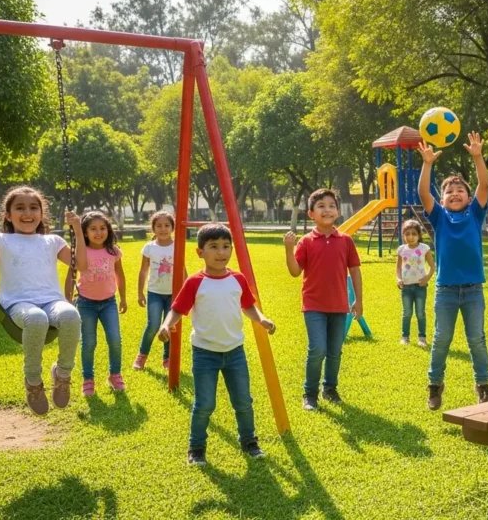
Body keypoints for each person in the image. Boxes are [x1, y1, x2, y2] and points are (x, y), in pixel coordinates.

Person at [157, 223, 276, 466]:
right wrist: (166, 325)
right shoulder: (195, 282)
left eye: (225, 247)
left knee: (243, 401)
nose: (221, 253)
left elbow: (247, 305)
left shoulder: (237, 279)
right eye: (214, 247)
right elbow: (178, 309)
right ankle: (197, 448)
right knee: (204, 404)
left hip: (235, 352)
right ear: (200, 252)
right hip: (205, 354)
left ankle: (249, 442)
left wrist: (261, 318)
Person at [0, 186, 86, 415]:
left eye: (33, 207)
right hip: (18, 303)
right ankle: (33, 382)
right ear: (8, 215)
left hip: (52, 300)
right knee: (36, 319)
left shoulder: (52, 241)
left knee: (71, 315)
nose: (27, 213)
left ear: (41, 213)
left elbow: (81, 266)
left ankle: (62, 374)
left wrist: (77, 230)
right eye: (20, 208)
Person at [417, 131, 488, 410]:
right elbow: (424, 193)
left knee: (477, 339)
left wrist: (477, 156)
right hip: (446, 291)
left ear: (469, 196)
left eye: (460, 190)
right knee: (441, 339)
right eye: (449, 191)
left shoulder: (475, 213)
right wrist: (427, 163)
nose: (455, 194)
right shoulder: (439, 216)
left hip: (473, 290)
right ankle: (435, 386)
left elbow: (484, 184)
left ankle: (483, 386)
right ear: (443, 198)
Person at [284, 189, 363, 411]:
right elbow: (294, 271)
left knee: (335, 350)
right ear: (311, 214)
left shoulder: (346, 241)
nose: (326, 209)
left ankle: (330, 389)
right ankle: (309, 394)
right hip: (314, 306)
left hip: (339, 306)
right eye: (321, 206)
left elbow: (355, 271)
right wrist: (289, 250)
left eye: (331, 205)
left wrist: (358, 300)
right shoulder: (306, 242)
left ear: (338, 211)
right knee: (317, 349)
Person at [66, 211, 127, 396]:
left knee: (115, 340)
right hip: (86, 303)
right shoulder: (80, 251)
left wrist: (123, 298)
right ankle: (88, 379)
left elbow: (120, 275)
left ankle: (115, 374)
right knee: (89, 342)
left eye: (102, 228)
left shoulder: (113, 251)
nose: (98, 232)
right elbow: (71, 276)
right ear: (84, 232)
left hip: (109, 302)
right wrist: (67, 300)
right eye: (93, 229)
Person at [134, 211, 186, 371]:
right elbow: (143, 271)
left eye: (167, 225)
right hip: (155, 292)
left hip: (174, 293)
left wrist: (187, 291)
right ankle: (142, 356)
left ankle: (168, 358)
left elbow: (182, 269)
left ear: (172, 227)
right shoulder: (149, 248)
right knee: (153, 325)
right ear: (153, 228)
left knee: (169, 325)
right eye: (159, 226)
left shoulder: (177, 245)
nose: (163, 229)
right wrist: (140, 292)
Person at [396, 219, 434, 347]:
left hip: (420, 287)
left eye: (413, 234)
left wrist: (427, 278)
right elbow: (398, 267)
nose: (410, 237)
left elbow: (432, 266)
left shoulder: (424, 248)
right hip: (406, 287)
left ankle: (422, 337)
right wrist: (398, 279)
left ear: (419, 235)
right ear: (403, 235)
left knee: (420, 313)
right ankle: (405, 337)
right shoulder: (401, 250)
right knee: (406, 313)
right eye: (407, 234)